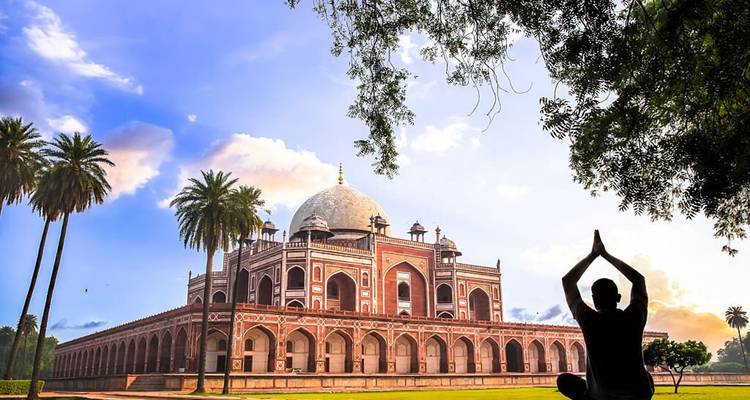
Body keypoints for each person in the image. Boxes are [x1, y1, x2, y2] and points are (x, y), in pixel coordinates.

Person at [558, 230, 654, 400]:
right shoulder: (634, 317)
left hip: (603, 395)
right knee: (647, 376)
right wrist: (606, 255)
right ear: (618, 297)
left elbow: (568, 281)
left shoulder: (590, 320)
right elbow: (639, 280)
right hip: (640, 393)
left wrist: (593, 255)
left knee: (564, 381)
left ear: (594, 300)